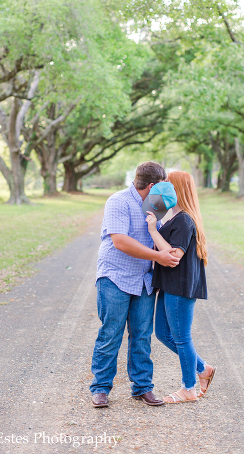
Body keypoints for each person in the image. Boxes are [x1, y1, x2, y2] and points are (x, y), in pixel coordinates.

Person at [90, 161, 181, 408]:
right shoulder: (118, 201)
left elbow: (158, 237)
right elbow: (120, 241)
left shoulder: (156, 204)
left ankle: (142, 387)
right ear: (151, 185)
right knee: (111, 334)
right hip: (115, 277)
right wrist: (158, 257)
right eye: (161, 185)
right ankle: (100, 388)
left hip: (144, 280)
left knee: (142, 336)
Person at [145, 171, 215, 404]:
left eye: (168, 185)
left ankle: (189, 388)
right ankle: (203, 369)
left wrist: (154, 231)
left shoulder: (185, 220)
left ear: (177, 189)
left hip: (180, 285)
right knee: (163, 334)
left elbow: (174, 255)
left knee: (182, 338)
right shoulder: (174, 217)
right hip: (169, 284)